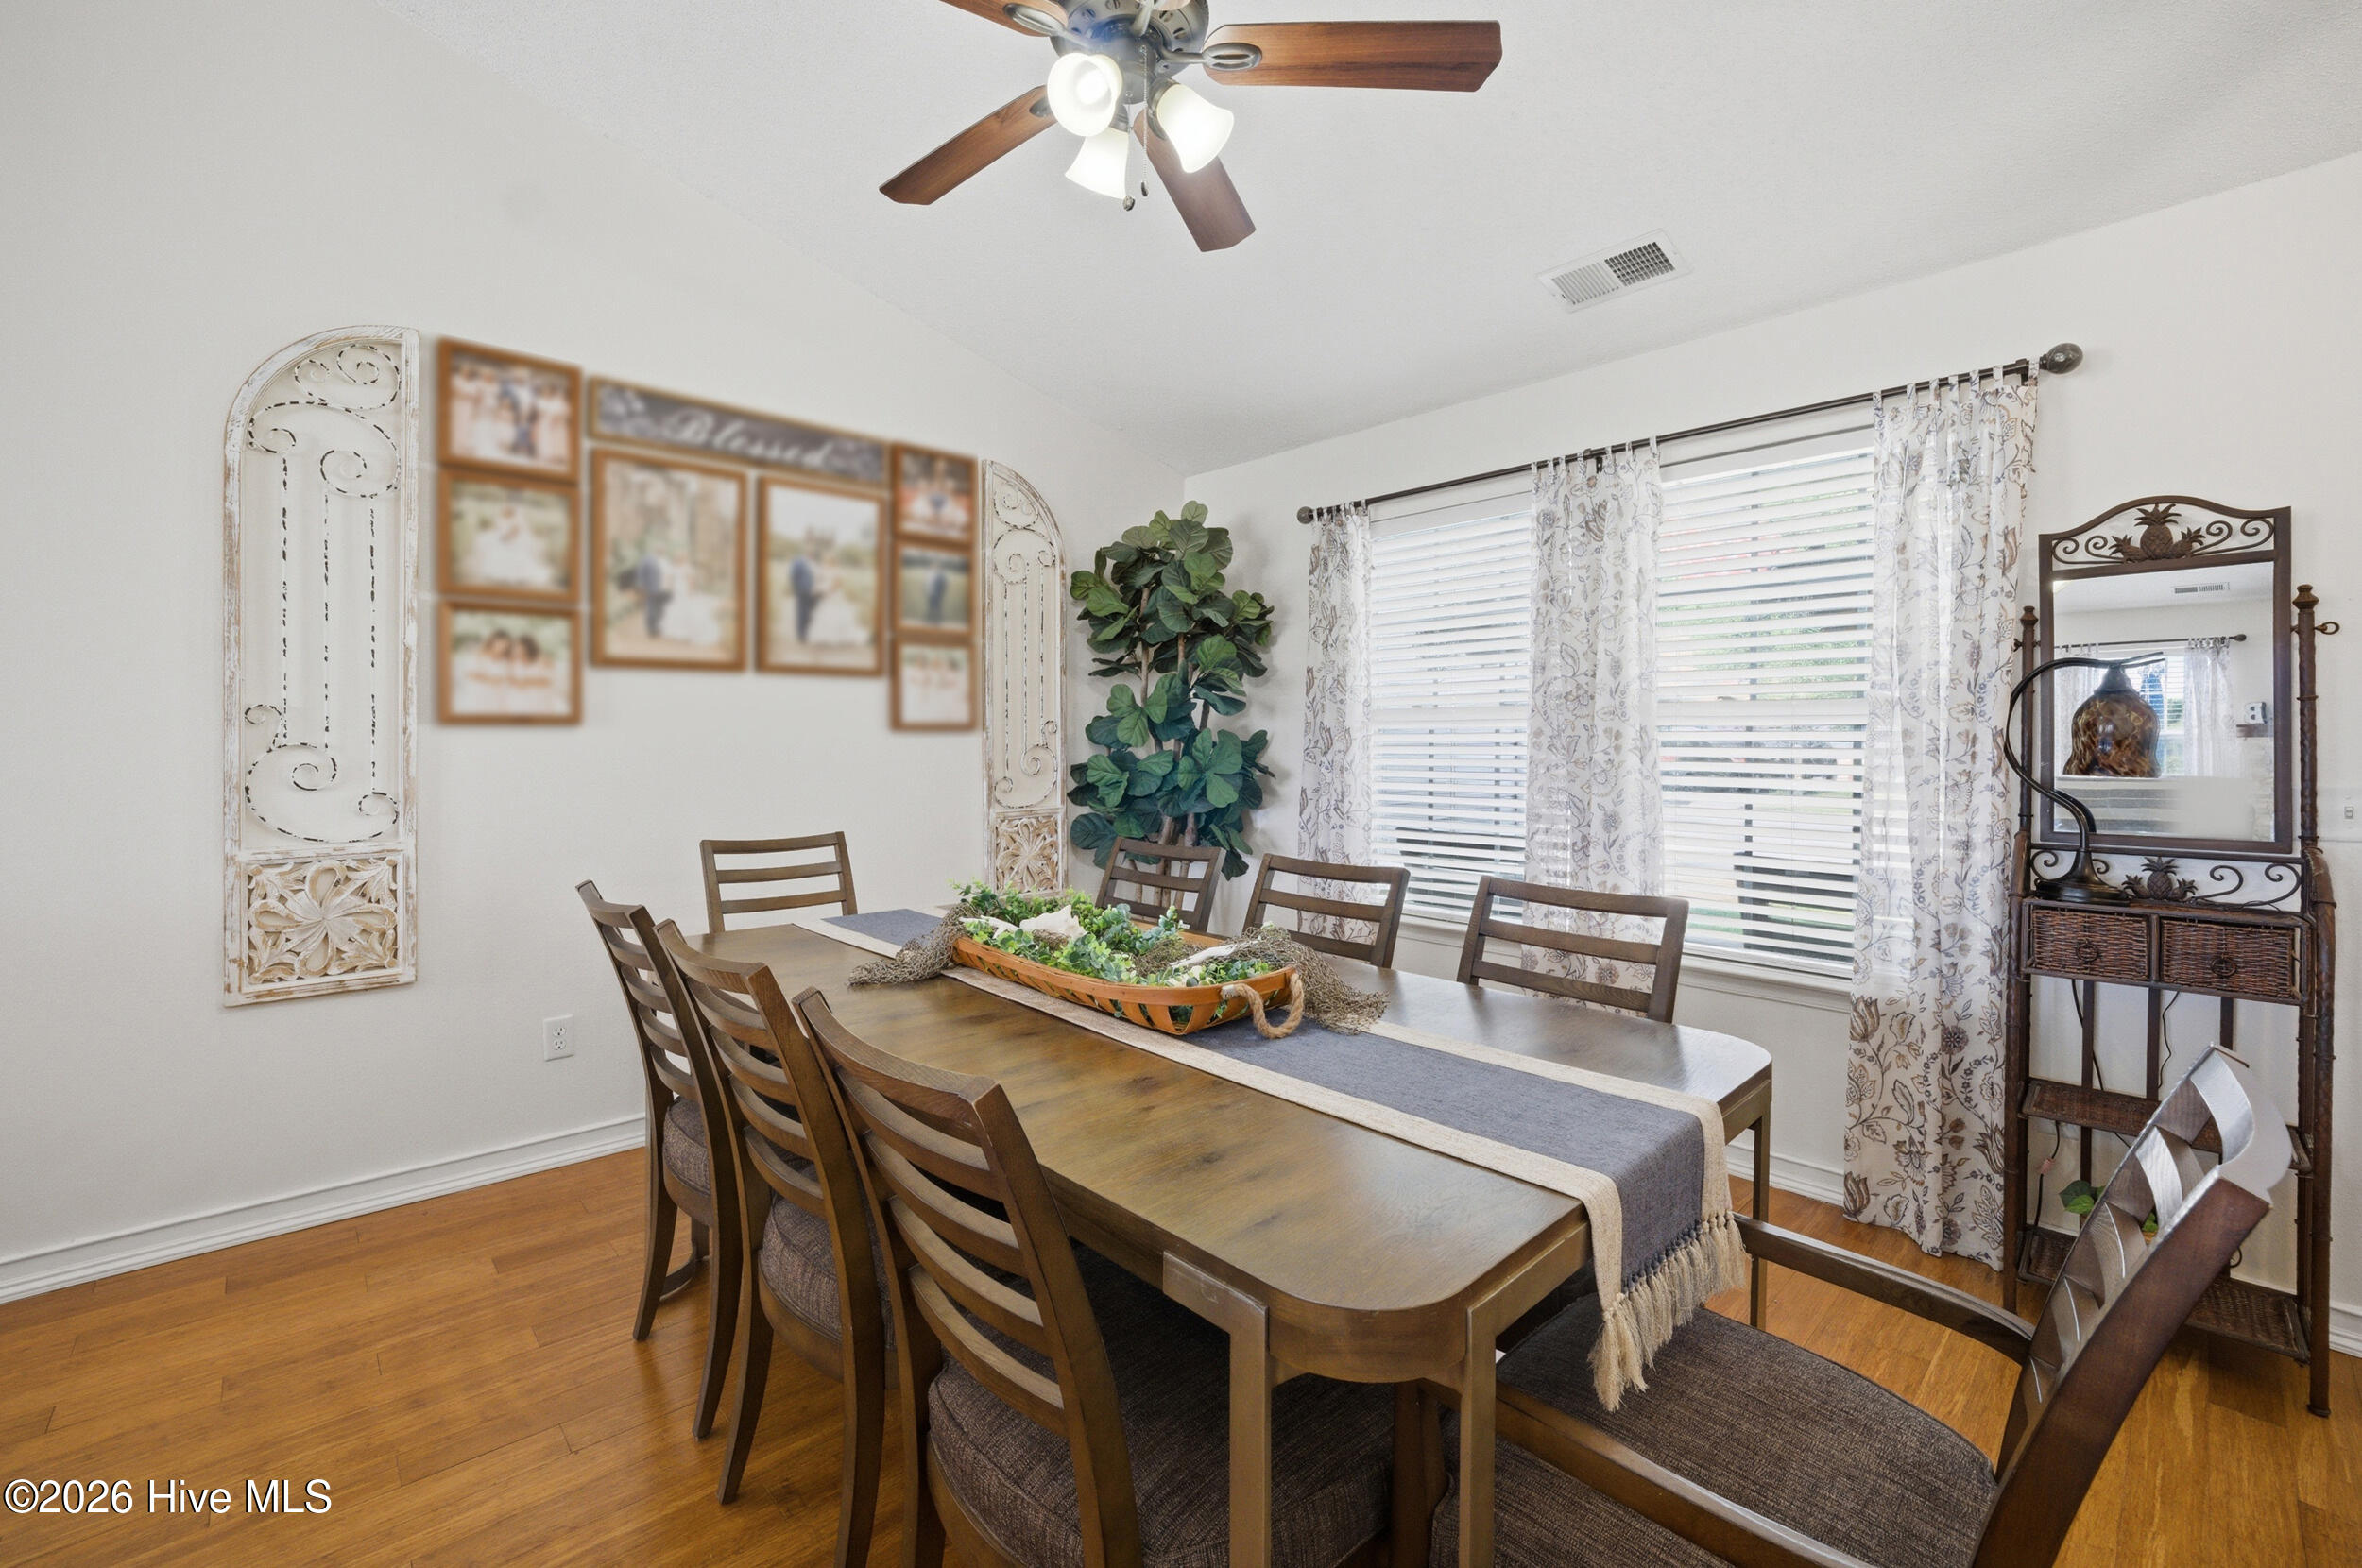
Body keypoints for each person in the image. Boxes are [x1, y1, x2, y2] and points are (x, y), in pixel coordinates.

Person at [788, 545, 820, 644]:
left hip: (813, 591)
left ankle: (807, 633)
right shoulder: (798, 561)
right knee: (801, 613)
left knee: (809, 613)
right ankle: (801, 635)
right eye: (809, 551)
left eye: (812, 552)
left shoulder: (814, 563)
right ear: (806, 552)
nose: (811, 553)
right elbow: (793, 575)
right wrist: (796, 588)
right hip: (802, 591)